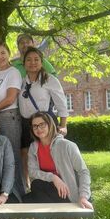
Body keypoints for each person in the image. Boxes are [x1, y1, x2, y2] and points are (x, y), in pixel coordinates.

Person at [19, 47, 69, 183]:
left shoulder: (50, 80)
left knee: (48, 152)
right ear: (24, 64)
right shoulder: (22, 82)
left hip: (45, 121)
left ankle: (58, 182)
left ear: (42, 62)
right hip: (26, 123)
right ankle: (29, 185)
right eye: (28, 60)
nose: (32, 62)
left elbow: (61, 104)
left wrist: (63, 126)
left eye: (36, 59)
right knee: (26, 154)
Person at [24, 111, 93, 209]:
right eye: (35, 126)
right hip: (51, 187)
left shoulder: (67, 145)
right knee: (29, 194)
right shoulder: (33, 147)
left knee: (35, 190)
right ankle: (54, 215)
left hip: (69, 191)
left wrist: (84, 196)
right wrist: (54, 178)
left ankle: (60, 215)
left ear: (50, 125)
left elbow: (83, 171)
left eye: (42, 125)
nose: (38, 129)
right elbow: (32, 172)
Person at [0, 42, 25, 200]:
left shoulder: (13, 72)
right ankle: (4, 193)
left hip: (9, 117)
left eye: (3, 53)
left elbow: (10, 98)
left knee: (12, 157)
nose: (0, 57)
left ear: (8, 54)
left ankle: (18, 196)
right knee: (0, 157)